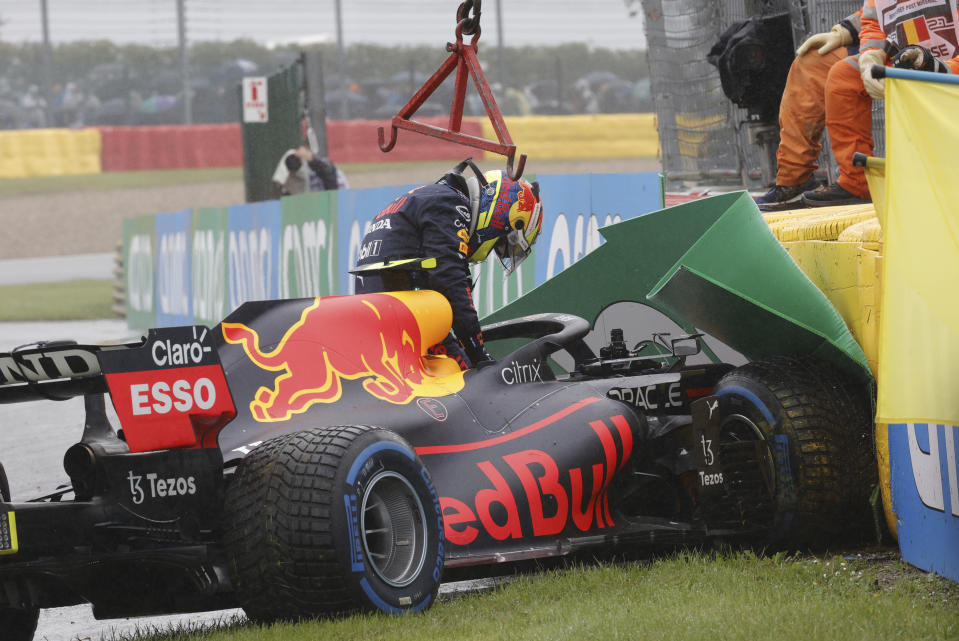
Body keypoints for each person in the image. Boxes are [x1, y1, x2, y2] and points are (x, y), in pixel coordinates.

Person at [353, 159, 543, 370]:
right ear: (501, 215)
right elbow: (451, 284)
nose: (494, 250)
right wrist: (480, 356)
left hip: (379, 324)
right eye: (501, 242)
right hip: (400, 322)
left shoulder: (430, 197)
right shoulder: (448, 203)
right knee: (472, 378)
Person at [754, 11, 862, 210]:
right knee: (812, 63)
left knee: (843, 73)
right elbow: (881, 11)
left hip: (929, 49)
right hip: (891, 43)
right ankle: (794, 178)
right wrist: (845, 31)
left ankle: (857, 181)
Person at [273, 145, 348, 196]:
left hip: (340, 200)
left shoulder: (323, 165)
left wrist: (310, 159)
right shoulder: (296, 177)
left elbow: (331, 181)